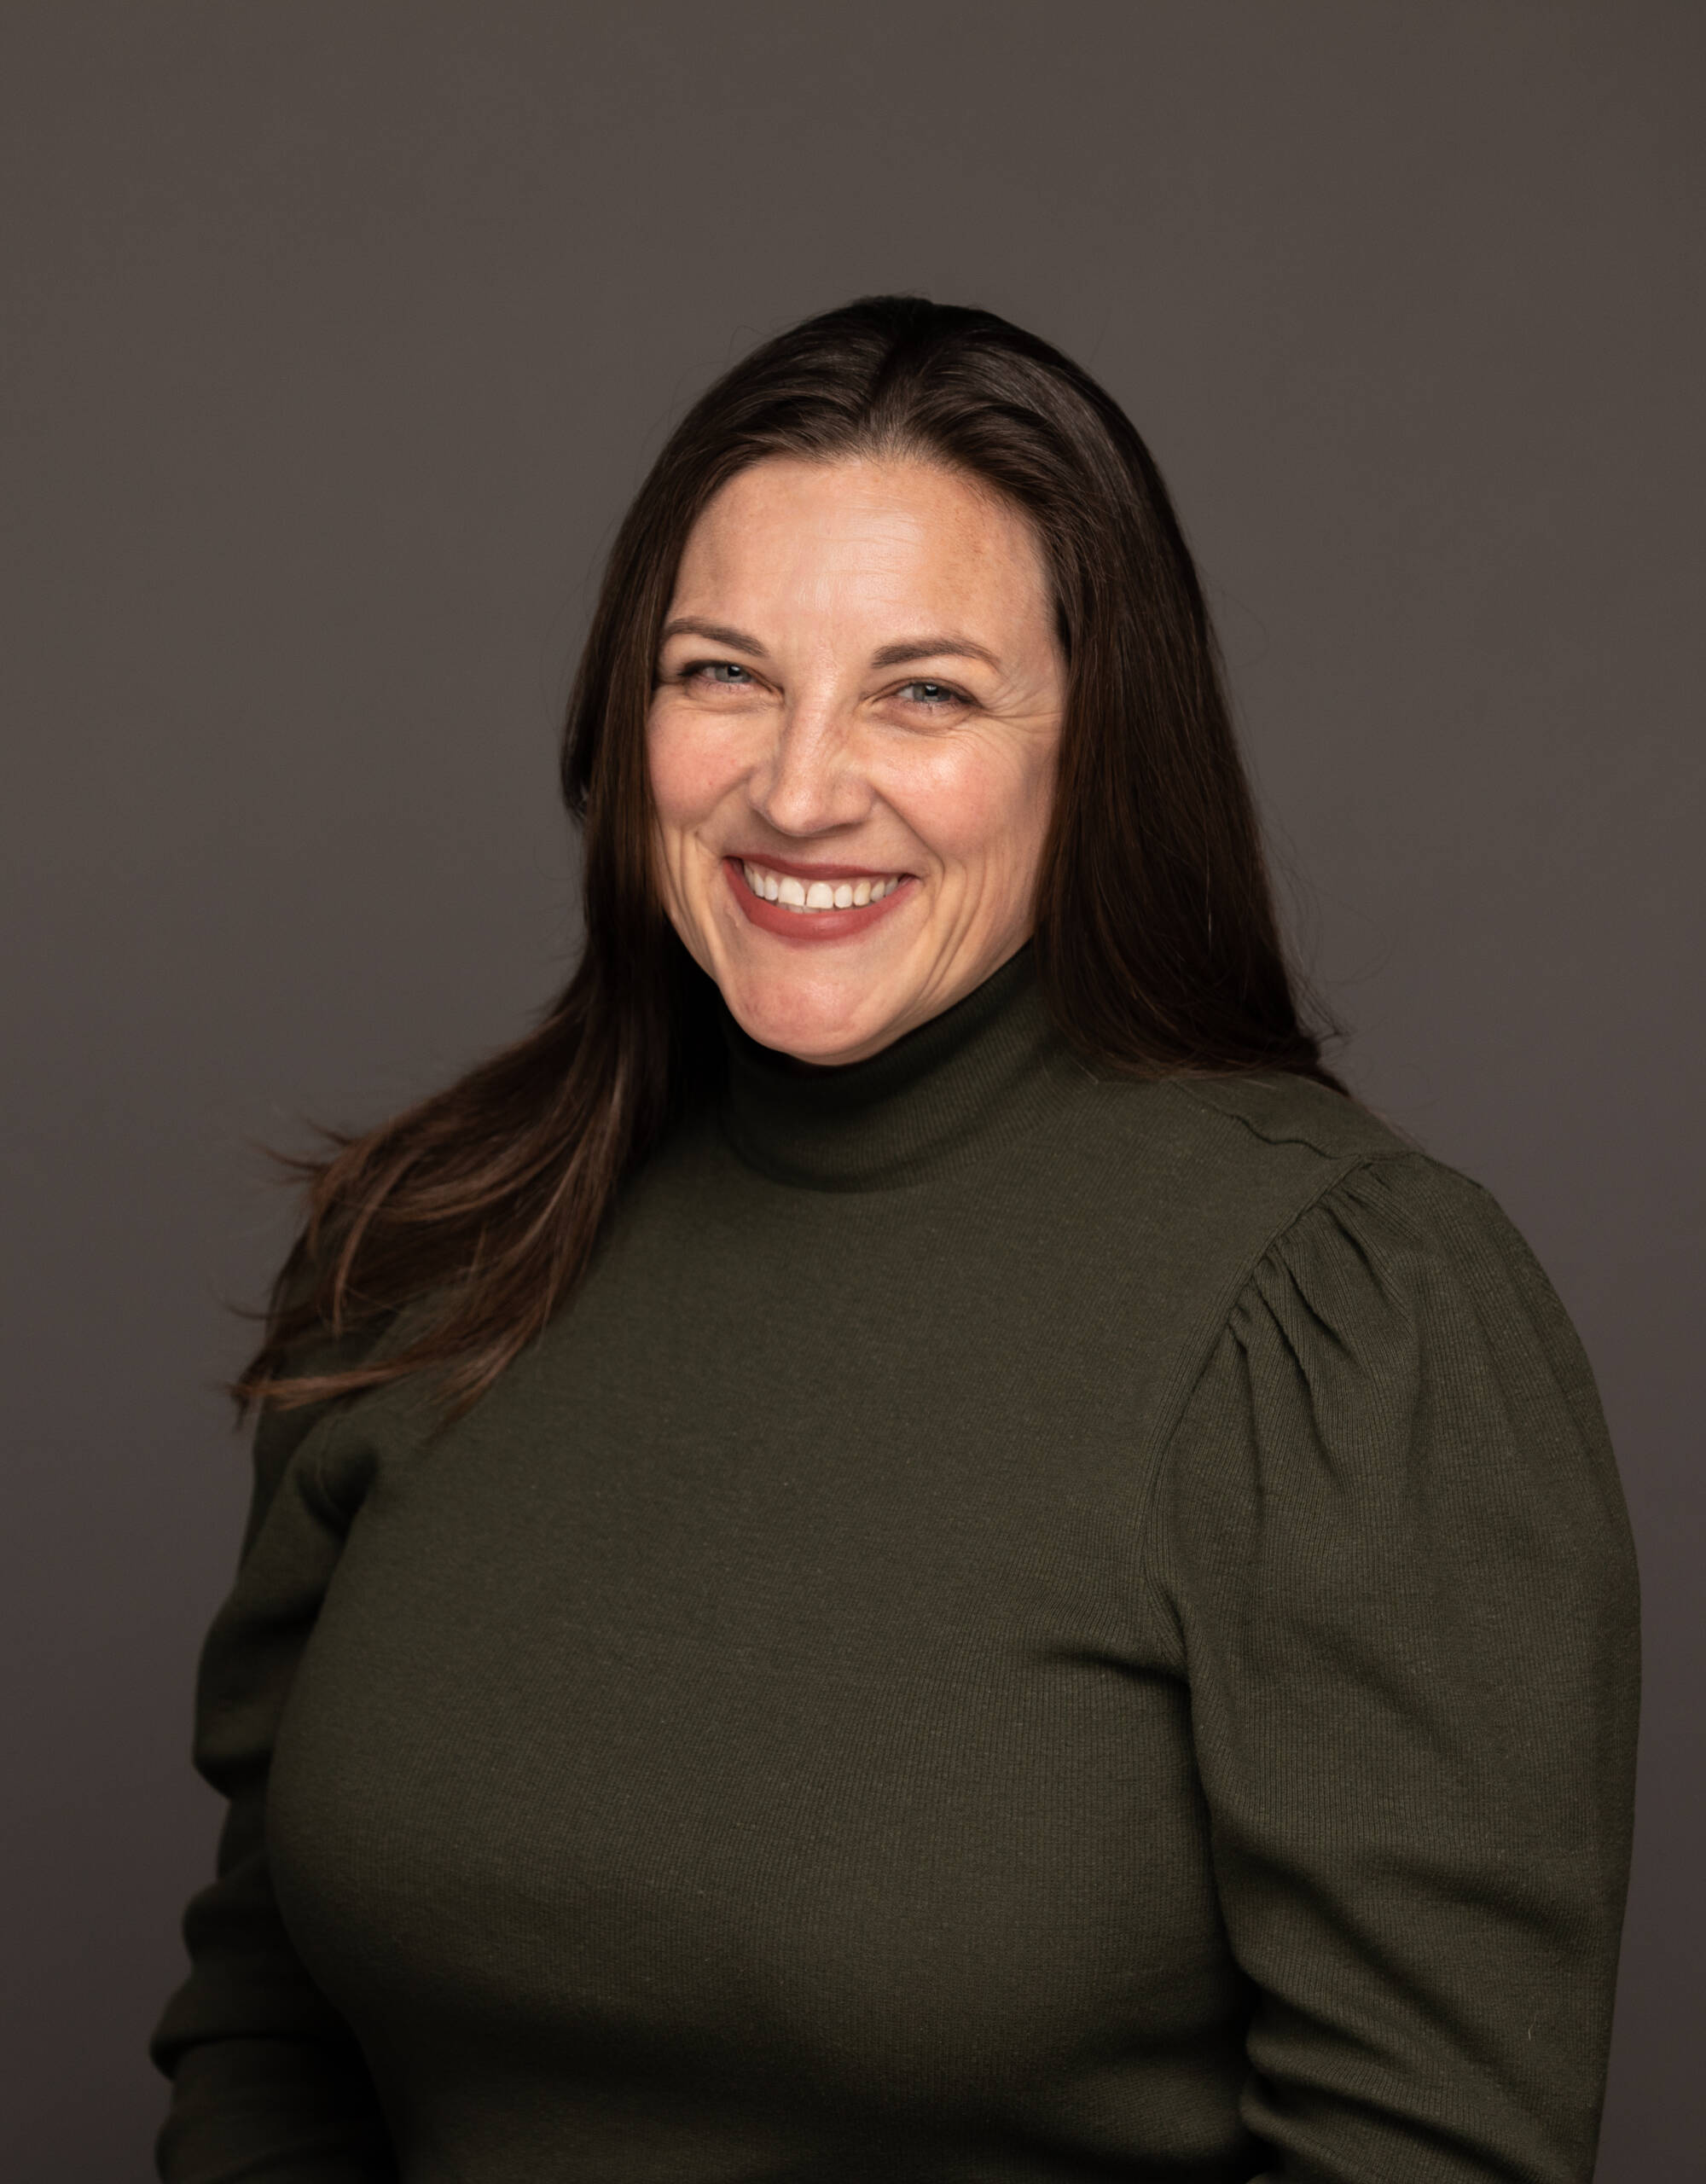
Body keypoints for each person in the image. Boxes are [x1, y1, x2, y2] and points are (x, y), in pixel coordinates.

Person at [151, 296, 1639, 2184]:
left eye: (922, 690)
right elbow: (267, 2009)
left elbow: (1427, 2153)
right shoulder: (439, 1237)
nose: (795, 788)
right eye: (723, 674)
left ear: (1096, 746)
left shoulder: (1344, 1311)